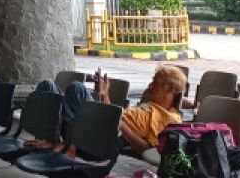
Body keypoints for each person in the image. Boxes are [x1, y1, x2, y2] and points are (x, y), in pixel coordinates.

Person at [34, 65, 187, 155]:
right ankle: (51, 138)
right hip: (102, 122)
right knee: (46, 85)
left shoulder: (170, 119)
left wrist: (121, 125)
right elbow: (110, 113)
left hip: (108, 134)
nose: (150, 85)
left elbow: (147, 149)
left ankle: (61, 141)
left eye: (155, 82)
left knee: (77, 88)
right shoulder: (148, 105)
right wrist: (104, 94)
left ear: (170, 89)